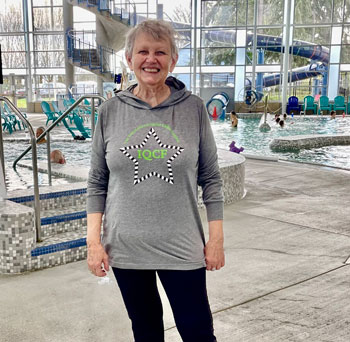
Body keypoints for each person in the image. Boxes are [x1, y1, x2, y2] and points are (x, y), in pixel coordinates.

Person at [87, 19, 224, 342]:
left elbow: (211, 178)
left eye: (160, 52)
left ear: (173, 61)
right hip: (126, 248)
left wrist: (215, 240)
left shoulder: (193, 109)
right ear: (129, 58)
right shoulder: (109, 111)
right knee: (146, 332)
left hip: (182, 246)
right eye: (143, 51)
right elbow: (97, 182)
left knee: (198, 332)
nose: (152, 59)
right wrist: (94, 242)